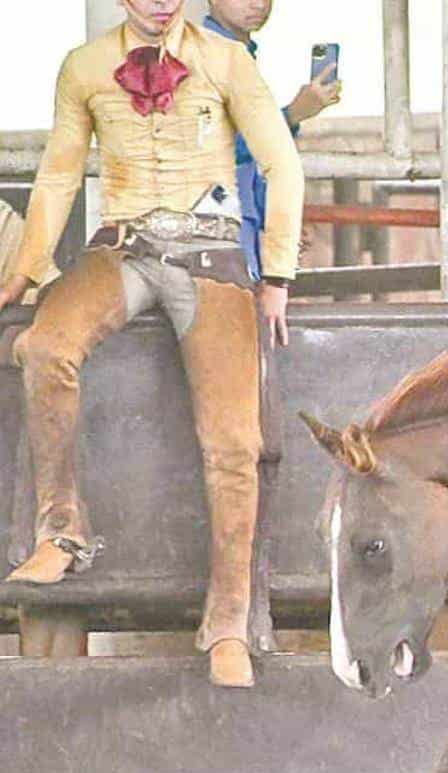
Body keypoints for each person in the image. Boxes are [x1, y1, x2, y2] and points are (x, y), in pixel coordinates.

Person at [0, 0, 304, 688]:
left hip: (210, 257)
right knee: (45, 347)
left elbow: (282, 165)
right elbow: (58, 174)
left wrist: (277, 273)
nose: (162, 2)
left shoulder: (226, 61)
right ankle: (61, 530)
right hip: (123, 248)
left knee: (234, 439)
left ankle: (227, 623)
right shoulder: (83, 67)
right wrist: (26, 268)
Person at [204, 0, 342, 279]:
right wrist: (291, 115)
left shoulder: (238, 54)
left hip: (235, 225)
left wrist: (276, 218)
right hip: (214, 228)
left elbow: (250, 159)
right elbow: (211, 146)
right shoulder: (201, 56)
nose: (259, 5)